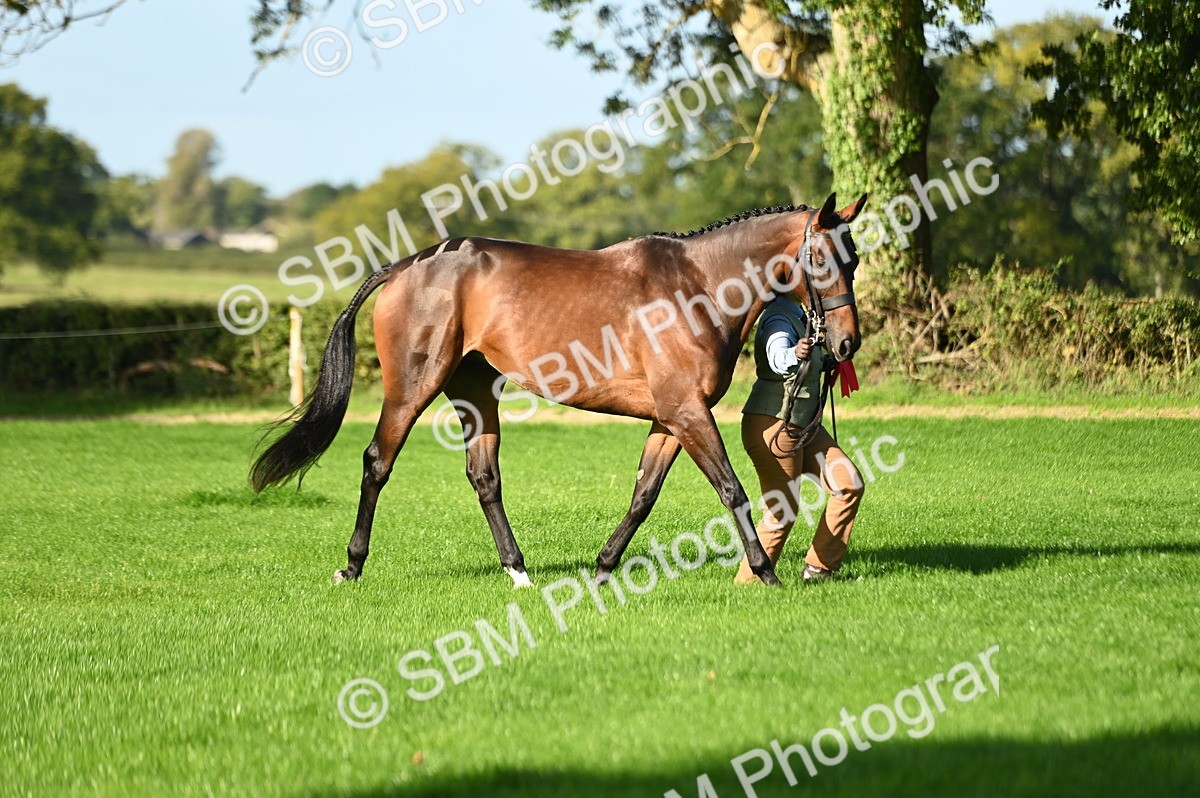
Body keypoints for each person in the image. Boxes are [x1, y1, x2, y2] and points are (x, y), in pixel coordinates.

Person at [735, 292, 864, 584]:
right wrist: (794, 354)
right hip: (775, 425)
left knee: (848, 484)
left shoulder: (803, 312)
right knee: (782, 511)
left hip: (804, 425)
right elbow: (778, 357)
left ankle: (819, 569)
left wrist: (827, 361)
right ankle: (749, 583)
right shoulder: (779, 315)